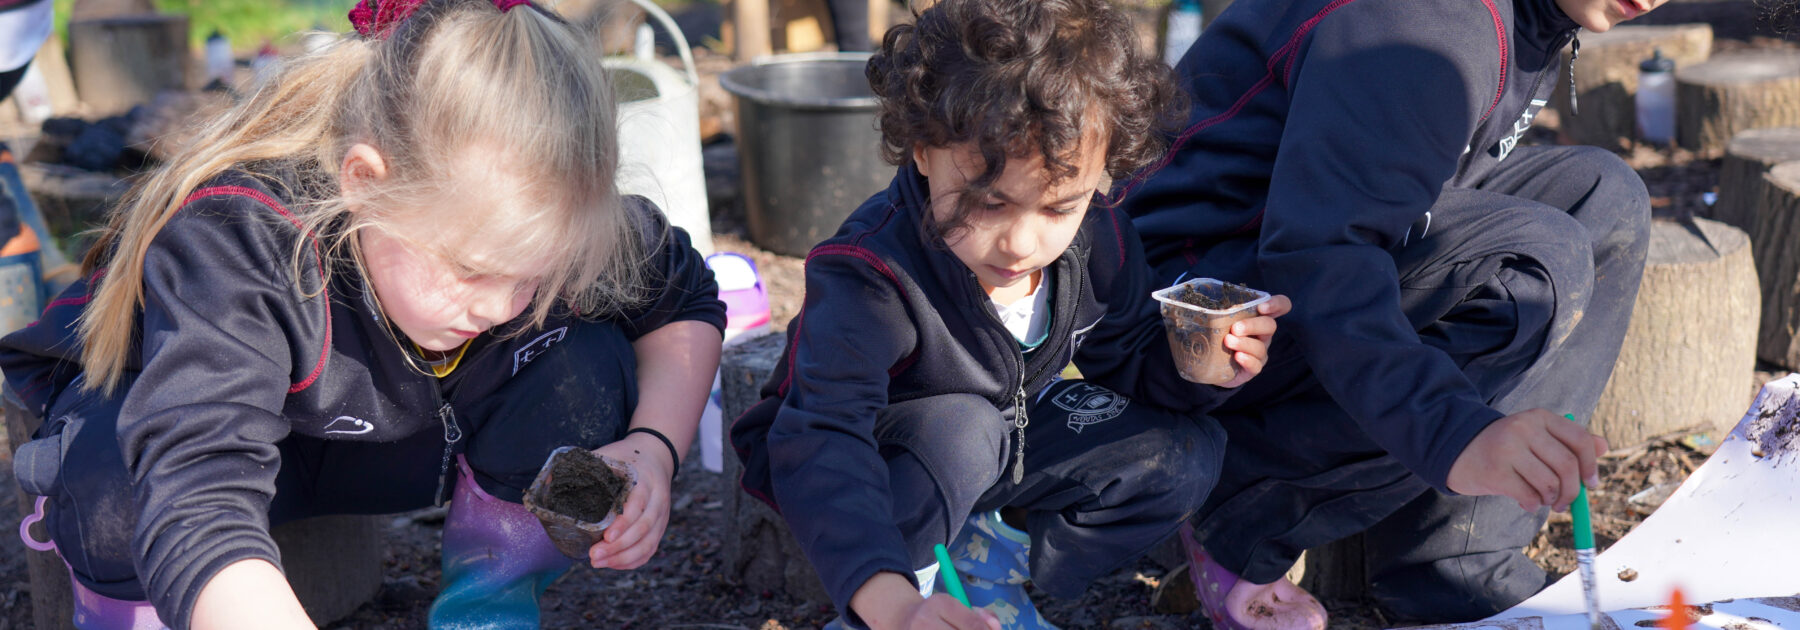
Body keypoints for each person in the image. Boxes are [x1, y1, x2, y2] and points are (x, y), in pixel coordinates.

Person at [1, 0, 725, 628]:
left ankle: (488, 608)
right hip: (212, 437)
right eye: (471, 269)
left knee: (582, 365)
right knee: (113, 489)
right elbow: (195, 495)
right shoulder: (239, 238)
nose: (503, 305)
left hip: (403, 437)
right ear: (364, 184)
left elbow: (684, 296)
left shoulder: (549, 207)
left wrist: (654, 446)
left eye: (536, 276)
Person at [730, 1, 1290, 628]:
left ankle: (986, 562)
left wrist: (1201, 365)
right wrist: (891, 605)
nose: (1022, 244)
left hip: (1002, 439)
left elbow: (1128, 357)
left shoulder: (1098, 241)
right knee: (964, 430)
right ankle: (896, 597)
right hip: (877, 464)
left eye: (1057, 208)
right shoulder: (869, 273)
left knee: (1185, 451)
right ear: (922, 150)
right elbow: (824, 435)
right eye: (989, 203)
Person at [1114, 0, 1668, 627]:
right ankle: (1244, 503)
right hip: (1188, 318)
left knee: (1603, 200)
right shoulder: (1428, 18)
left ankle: (1453, 558)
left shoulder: (1532, 15)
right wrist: (1451, 431)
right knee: (1535, 260)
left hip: (1282, 248)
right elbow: (1323, 255)